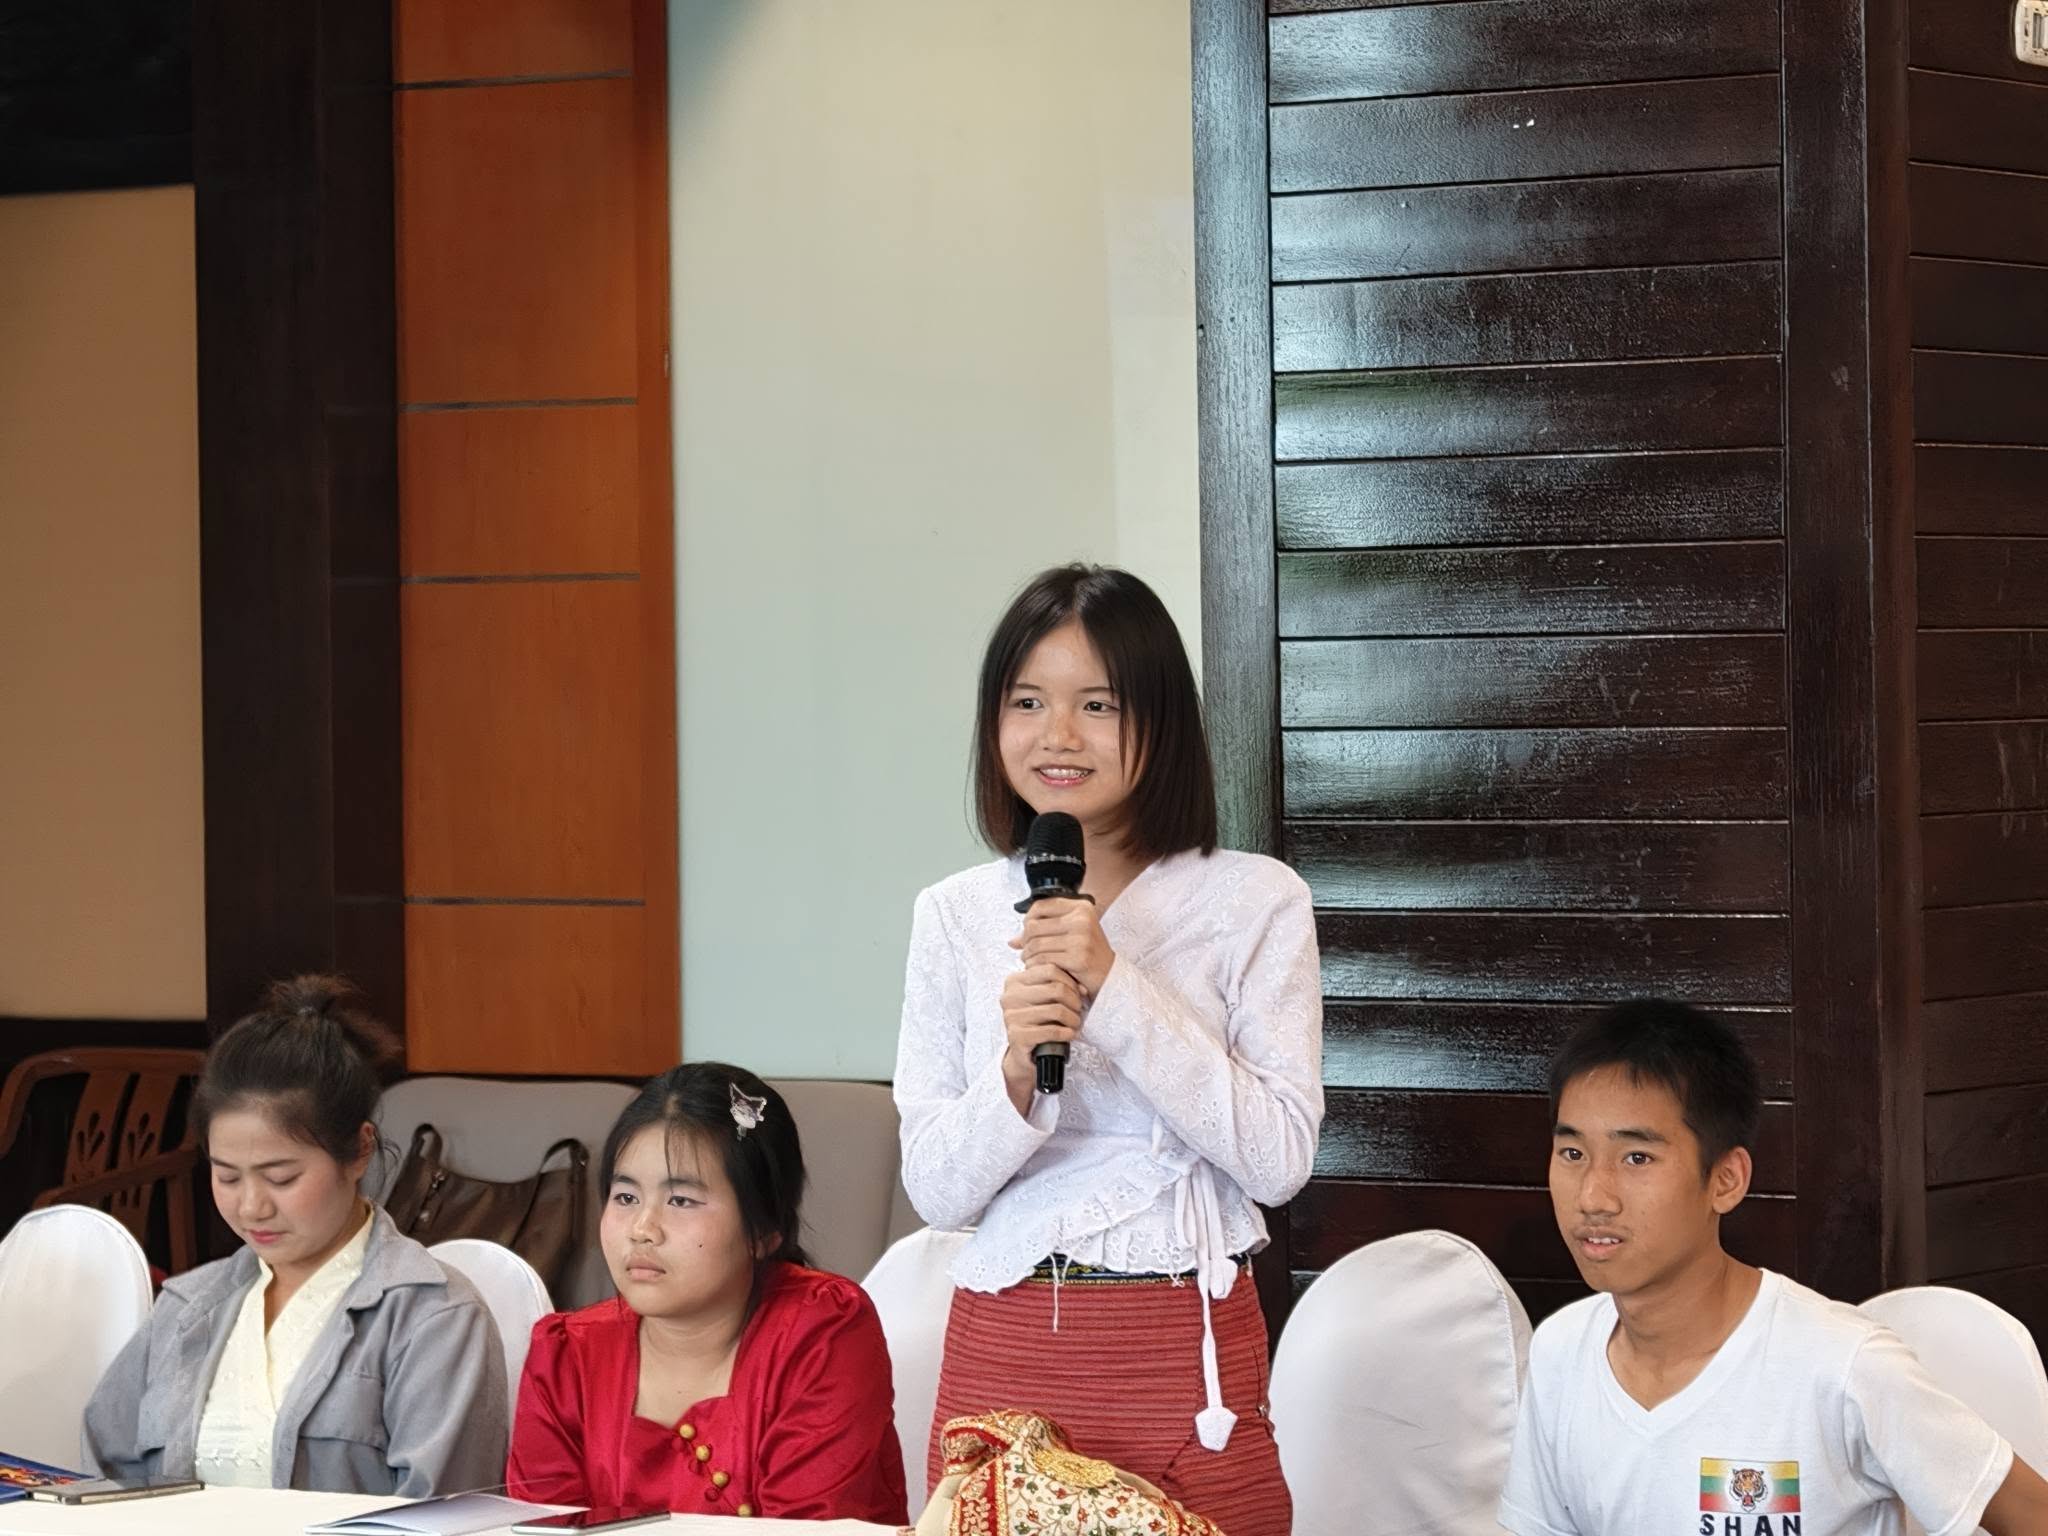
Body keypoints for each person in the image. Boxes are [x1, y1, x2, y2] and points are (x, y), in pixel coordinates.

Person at [894, 563, 1324, 1536]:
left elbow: (1278, 1160)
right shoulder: (953, 913)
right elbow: (936, 1191)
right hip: (1003, 1350)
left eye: (1097, 704)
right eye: (1027, 702)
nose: (1057, 735)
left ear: (1160, 720)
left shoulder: (1255, 900)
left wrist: (1115, 988)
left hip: (1181, 1356)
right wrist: (1015, 1072)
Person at [1502, 998, 2048, 1536]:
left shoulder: (1845, 1365)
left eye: (1637, 1157)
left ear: (1726, 1180)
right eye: (1572, 1154)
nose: (1593, 1197)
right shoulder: (1561, 1351)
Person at [84, 976, 508, 1495]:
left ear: (360, 1151)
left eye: (281, 1178)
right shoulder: (185, 1307)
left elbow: (445, 1514)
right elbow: (105, 1481)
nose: (251, 1207)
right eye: (227, 1176)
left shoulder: (434, 1316)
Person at [506, 1063, 907, 1523]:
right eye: (626, 1197)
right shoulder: (566, 1356)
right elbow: (542, 1528)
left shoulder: (822, 1333)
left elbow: (809, 1530)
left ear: (763, 1230)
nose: (642, 1229)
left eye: (681, 1200)